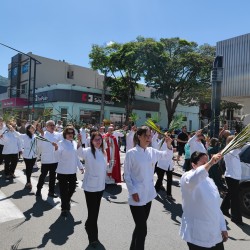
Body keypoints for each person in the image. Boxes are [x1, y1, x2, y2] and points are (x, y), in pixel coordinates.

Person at [124, 126, 173, 250]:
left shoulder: (152, 151)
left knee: (139, 226)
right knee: (142, 229)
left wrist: (168, 144)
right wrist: (133, 191)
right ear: (139, 136)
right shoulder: (131, 153)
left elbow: (166, 156)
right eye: (146, 135)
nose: (148, 138)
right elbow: (127, 175)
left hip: (149, 195)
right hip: (136, 195)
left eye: (150, 136)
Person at [180, 151, 228, 250]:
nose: (207, 165)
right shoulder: (187, 177)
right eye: (204, 163)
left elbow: (216, 207)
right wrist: (210, 162)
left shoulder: (210, 181)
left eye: (208, 161)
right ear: (193, 165)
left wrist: (223, 227)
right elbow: (196, 177)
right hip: (197, 234)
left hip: (214, 233)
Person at [77, 131, 107, 249]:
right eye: (96, 140)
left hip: (100, 187)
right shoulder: (88, 151)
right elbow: (79, 152)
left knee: (95, 212)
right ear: (92, 141)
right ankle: (93, 239)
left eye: (100, 139)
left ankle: (88, 224)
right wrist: (79, 141)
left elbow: (103, 166)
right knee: (93, 213)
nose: (98, 141)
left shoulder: (103, 152)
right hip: (90, 187)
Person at [56, 126, 84, 217]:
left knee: (72, 188)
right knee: (63, 191)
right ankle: (64, 208)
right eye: (68, 133)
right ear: (65, 134)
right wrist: (56, 149)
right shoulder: (61, 143)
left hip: (72, 171)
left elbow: (76, 156)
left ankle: (66, 201)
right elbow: (56, 157)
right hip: (62, 171)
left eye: (72, 133)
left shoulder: (75, 143)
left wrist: (80, 166)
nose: (70, 135)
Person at [220, 135, 243, 225]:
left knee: (231, 194)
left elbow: (240, 148)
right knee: (235, 198)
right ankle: (235, 217)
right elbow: (240, 146)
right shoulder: (230, 151)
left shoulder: (233, 151)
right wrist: (241, 139)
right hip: (231, 177)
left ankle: (223, 209)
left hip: (234, 177)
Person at [36, 120, 60, 198]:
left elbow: (61, 144)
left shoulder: (57, 134)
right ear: (46, 127)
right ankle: (39, 189)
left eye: (53, 125)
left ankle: (51, 192)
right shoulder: (43, 134)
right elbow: (38, 145)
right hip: (46, 160)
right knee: (43, 176)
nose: (52, 126)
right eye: (50, 125)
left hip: (55, 160)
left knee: (53, 177)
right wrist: (42, 135)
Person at [12, 124, 38, 189]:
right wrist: (11, 128)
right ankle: (28, 182)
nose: (33, 128)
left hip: (34, 155)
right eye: (32, 127)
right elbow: (18, 134)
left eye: (33, 127)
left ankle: (28, 181)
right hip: (27, 154)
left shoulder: (35, 136)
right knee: (28, 168)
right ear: (29, 129)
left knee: (31, 168)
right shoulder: (25, 136)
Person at [154, 132, 175, 201]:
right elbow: (157, 148)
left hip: (169, 165)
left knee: (169, 180)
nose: (168, 137)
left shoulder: (170, 143)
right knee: (160, 179)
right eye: (166, 136)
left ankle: (169, 195)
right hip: (161, 165)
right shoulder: (161, 143)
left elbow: (171, 153)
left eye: (169, 136)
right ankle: (154, 192)